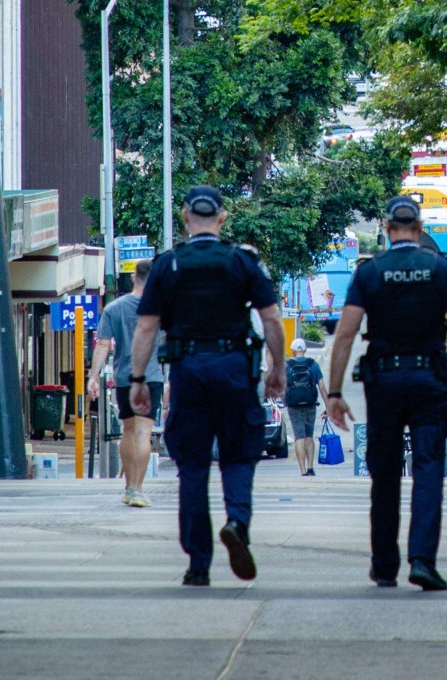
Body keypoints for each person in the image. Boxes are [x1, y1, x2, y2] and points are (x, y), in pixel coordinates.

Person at [129, 185, 285, 587]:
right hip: (235, 368)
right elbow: (271, 320)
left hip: (187, 370)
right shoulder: (242, 261)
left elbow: (146, 327)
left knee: (193, 464)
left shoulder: (167, 265)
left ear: (184, 216)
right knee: (238, 454)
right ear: (223, 217)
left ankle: (198, 564)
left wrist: (138, 379)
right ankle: (237, 520)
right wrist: (277, 369)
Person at [327, 195, 447, 591]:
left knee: (385, 472)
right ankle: (423, 561)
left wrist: (336, 391)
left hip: (385, 383)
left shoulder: (370, 272)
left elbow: (345, 334)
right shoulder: (441, 270)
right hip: (430, 382)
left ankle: (385, 564)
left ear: (387, 227)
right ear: (420, 225)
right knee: (429, 469)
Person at [87, 259, 163, 508]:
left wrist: (92, 377)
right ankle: (138, 489)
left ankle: (129, 488)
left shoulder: (114, 308)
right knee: (144, 433)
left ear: (133, 278)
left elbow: (102, 344)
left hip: (123, 380)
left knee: (128, 432)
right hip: (150, 377)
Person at [285, 337, 328, 476]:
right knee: (309, 436)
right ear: (305, 350)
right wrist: (328, 407)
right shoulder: (313, 365)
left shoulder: (287, 366)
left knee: (299, 437)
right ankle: (310, 467)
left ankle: (302, 470)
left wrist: (284, 401)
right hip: (310, 405)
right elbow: (322, 387)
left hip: (293, 406)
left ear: (292, 351)